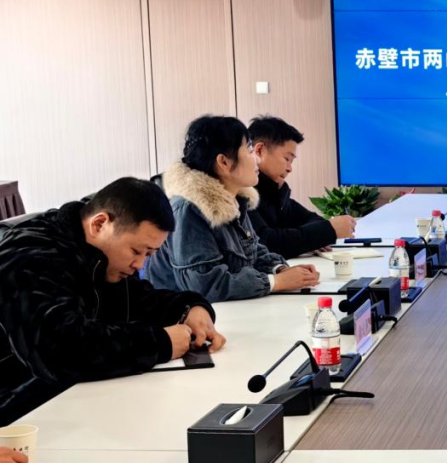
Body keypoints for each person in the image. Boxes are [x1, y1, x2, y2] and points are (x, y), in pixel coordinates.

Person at [0, 178, 224, 425]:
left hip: (77, 402)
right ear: (99, 224)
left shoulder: (102, 256)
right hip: (20, 416)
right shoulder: (28, 256)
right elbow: (59, 350)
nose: (140, 264)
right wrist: (160, 343)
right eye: (136, 251)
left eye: (149, 254)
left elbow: (139, 301)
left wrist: (189, 308)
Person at [145, 116, 320, 302]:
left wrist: (280, 270)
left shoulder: (235, 197)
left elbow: (253, 250)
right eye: (250, 150)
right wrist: (274, 282)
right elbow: (206, 285)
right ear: (224, 163)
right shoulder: (189, 210)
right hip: (184, 315)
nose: (256, 159)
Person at [247, 116, 357, 258]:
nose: (290, 168)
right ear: (259, 150)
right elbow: (264, 243)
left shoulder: (277, 192)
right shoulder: (242, 193)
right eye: (287, 159)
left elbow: (314, 220)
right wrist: (323, 233)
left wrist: (306, 240)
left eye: (291, 161)